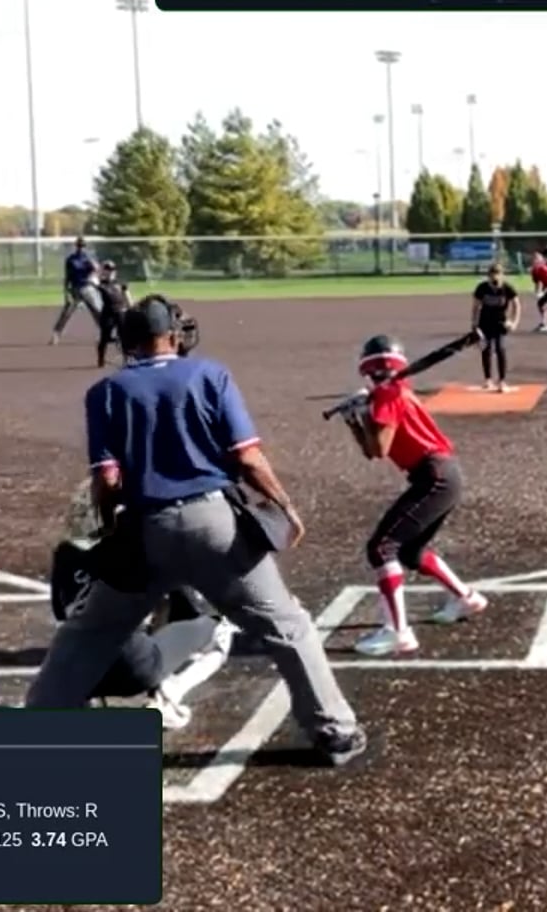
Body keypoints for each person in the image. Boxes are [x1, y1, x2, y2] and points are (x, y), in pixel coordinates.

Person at [26, 297, 365, 766]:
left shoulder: (106, 391)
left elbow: (107, 479)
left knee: (88, 634)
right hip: (213, 525)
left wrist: (107, 528)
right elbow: (247, 458)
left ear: (127, 341)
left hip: (143, 531)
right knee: (287, 626)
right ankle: (335, 734)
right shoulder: (209, 375)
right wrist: (285, 505)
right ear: (172, 335)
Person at [341, 335, 490, 657]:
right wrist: (355, 421)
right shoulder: (394, 391)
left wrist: (364, 414)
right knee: (411, 552)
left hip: (434, 476)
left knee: (382, 547)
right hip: (441, 475)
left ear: (368, 368)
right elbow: (372, 451)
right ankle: (465, 598)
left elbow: (380, 448)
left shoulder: (388, 394)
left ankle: (398, 632)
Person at [49, 478, 236, 730]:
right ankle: (166, 701)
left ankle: (80, 704)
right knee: (218, 626)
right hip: (134, 668)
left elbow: (61, 614)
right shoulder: (136, 548)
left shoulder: (64, 554)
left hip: (78, 670)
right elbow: (190, 607)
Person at [472, 262, 521, 392]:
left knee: (500, 348)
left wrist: (514, 322)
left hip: (500, 323)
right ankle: (488, 380)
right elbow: (476, 306)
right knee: (486, 350)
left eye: (498, 275)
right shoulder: (482, 288)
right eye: (492, 275)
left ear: (502, 275)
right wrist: (474, 325)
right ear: (488, 276)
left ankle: (502, 381)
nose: (495, 279)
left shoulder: (507, 288)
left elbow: (517, 305)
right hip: (485, 323)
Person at [50, 238, 104, 345]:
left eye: (83, 246)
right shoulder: (71, 259)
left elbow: (97, 271)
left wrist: (94, 270)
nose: (81, 248)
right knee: (67, 313)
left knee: (97, 311)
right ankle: (56, 334)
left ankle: (104, 333)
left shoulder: (89, 258)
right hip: (75, 289)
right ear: (76, 246)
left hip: (88, 288)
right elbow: (67, 277)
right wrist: (66, 293)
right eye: (79, 246)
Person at [93, 262, 132, 369]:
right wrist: (98, 271)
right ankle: (101, 358)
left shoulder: (120, 282)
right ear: (104, 271)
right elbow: (92, 279)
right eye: (108, 270)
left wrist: (131, 308)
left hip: (120, 311)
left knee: (124, 336)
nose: (111, 272)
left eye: (112, 270)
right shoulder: (100, 284)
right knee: (104, 337)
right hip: (108, 313)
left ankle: (127, 358)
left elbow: (127, 295)